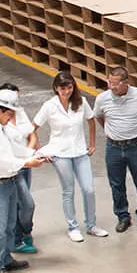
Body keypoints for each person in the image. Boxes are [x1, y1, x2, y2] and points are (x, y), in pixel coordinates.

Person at [0, 92, 48, 273]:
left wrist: (33, 153)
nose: (11, 118)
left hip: (7, 181)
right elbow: (3, 160)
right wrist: (29, 163)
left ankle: (5, 258)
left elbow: (12, 149)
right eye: (9, 114)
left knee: (8, 224)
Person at [35, 71, 109, 244]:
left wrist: (91, 144)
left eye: (69, 87)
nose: (67, 91)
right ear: (56, 88)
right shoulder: (49, 106)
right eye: (63, 88)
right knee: (68, 191)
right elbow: (33, 127)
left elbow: (91, 121)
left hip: (79, 152)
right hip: (60, 153)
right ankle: (73, 227)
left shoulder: (81, 102)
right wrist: (41, 151)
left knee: (88, 189)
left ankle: (91, 225)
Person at [93, 65, 137, 231]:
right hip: (113, 147)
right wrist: (110, 131)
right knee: (116, 184)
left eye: (116, 84)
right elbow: (99, 116)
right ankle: (122, 216)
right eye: (110, 83)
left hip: (135, 146)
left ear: (126, 83)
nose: (112, 87)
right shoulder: (102, 98)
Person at [0, 83, 37, 257]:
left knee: (24, 205)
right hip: (13, 169)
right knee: (23, 204)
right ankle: (17, 240)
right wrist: (26, 159)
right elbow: (4, 153)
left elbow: (31, 133)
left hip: (25, 163)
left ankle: (23, 234)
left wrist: (31, 154)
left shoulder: (20, 112)